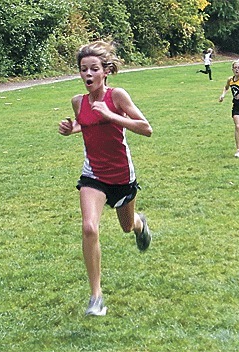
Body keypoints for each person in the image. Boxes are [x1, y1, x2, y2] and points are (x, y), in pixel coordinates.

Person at [58, 41, 153, 316]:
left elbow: (146, 128)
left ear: (106, 71)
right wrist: (70, 128)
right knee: (89, 228)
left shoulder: (117, 96)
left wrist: (111, 115)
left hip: (122, 176)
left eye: (94, 69)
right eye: (83, 69)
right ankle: (96, 296)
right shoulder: (78, 101)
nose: (88, 74)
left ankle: (139, 224)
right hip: (94, 174)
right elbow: (85, 124)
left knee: (126, 226)